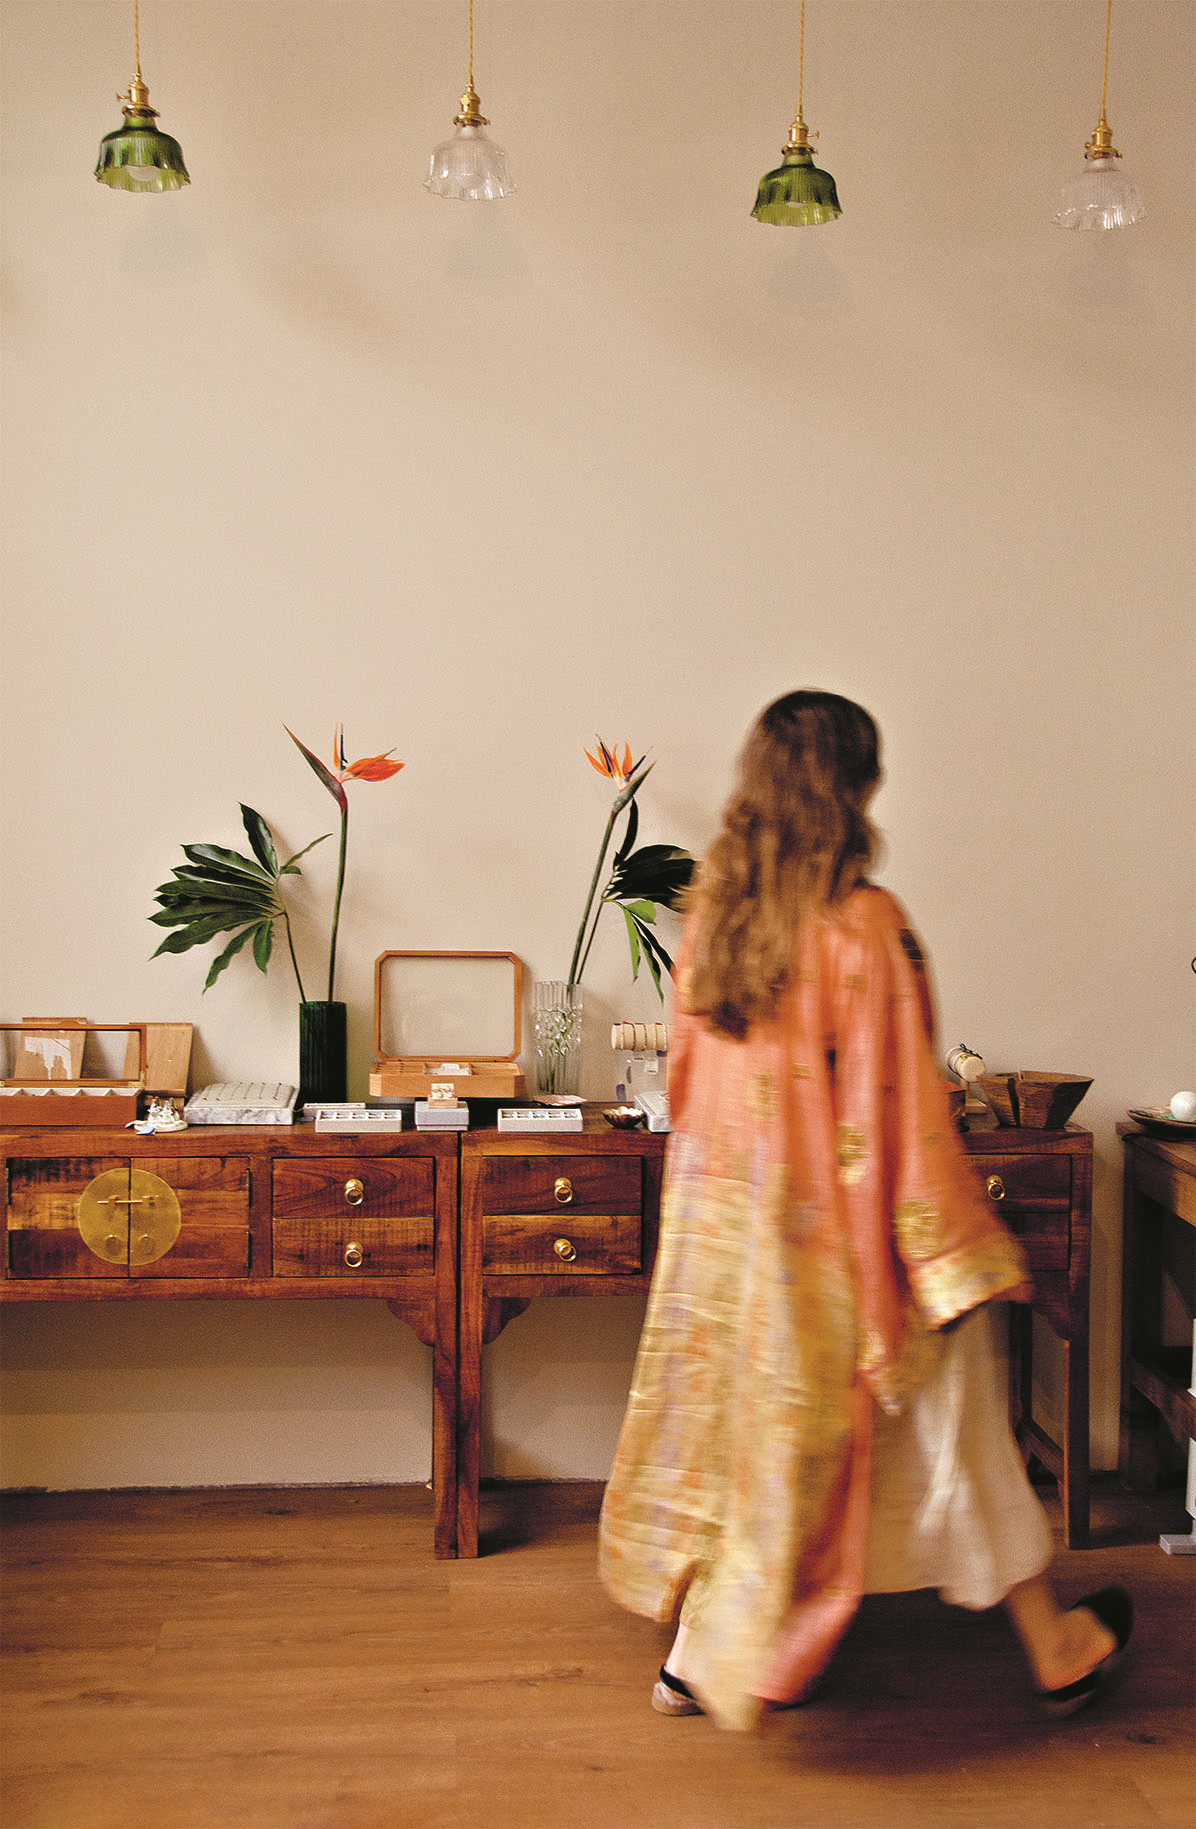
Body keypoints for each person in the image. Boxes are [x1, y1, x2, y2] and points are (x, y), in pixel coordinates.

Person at [598, 690, 1131, 1733]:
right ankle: (1054, 1646)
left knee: (760, 1452)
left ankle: (700, 1655)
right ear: (855, 789)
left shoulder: (711, 927)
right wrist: (949, 1253)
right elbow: (903, 1111)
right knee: (960, 1429)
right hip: (850, 1251)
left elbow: (690, 1099)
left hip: (737, 1255)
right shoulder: (866, 926)